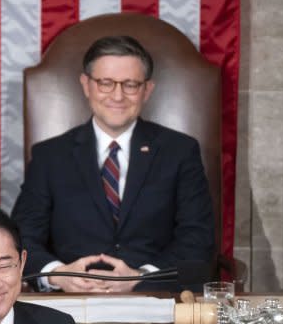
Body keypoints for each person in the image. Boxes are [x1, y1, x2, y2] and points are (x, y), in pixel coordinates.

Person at [11, 35, 215, 293]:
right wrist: (57, 275)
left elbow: (197, 238)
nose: (117, 96)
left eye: (130, 84)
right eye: (105, 83)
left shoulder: (180, 151)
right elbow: (22, 237)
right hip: (69, 303)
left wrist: (141, 277)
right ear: (86, 85)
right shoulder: (49, 156)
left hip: (153, 298)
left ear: (147, 90)